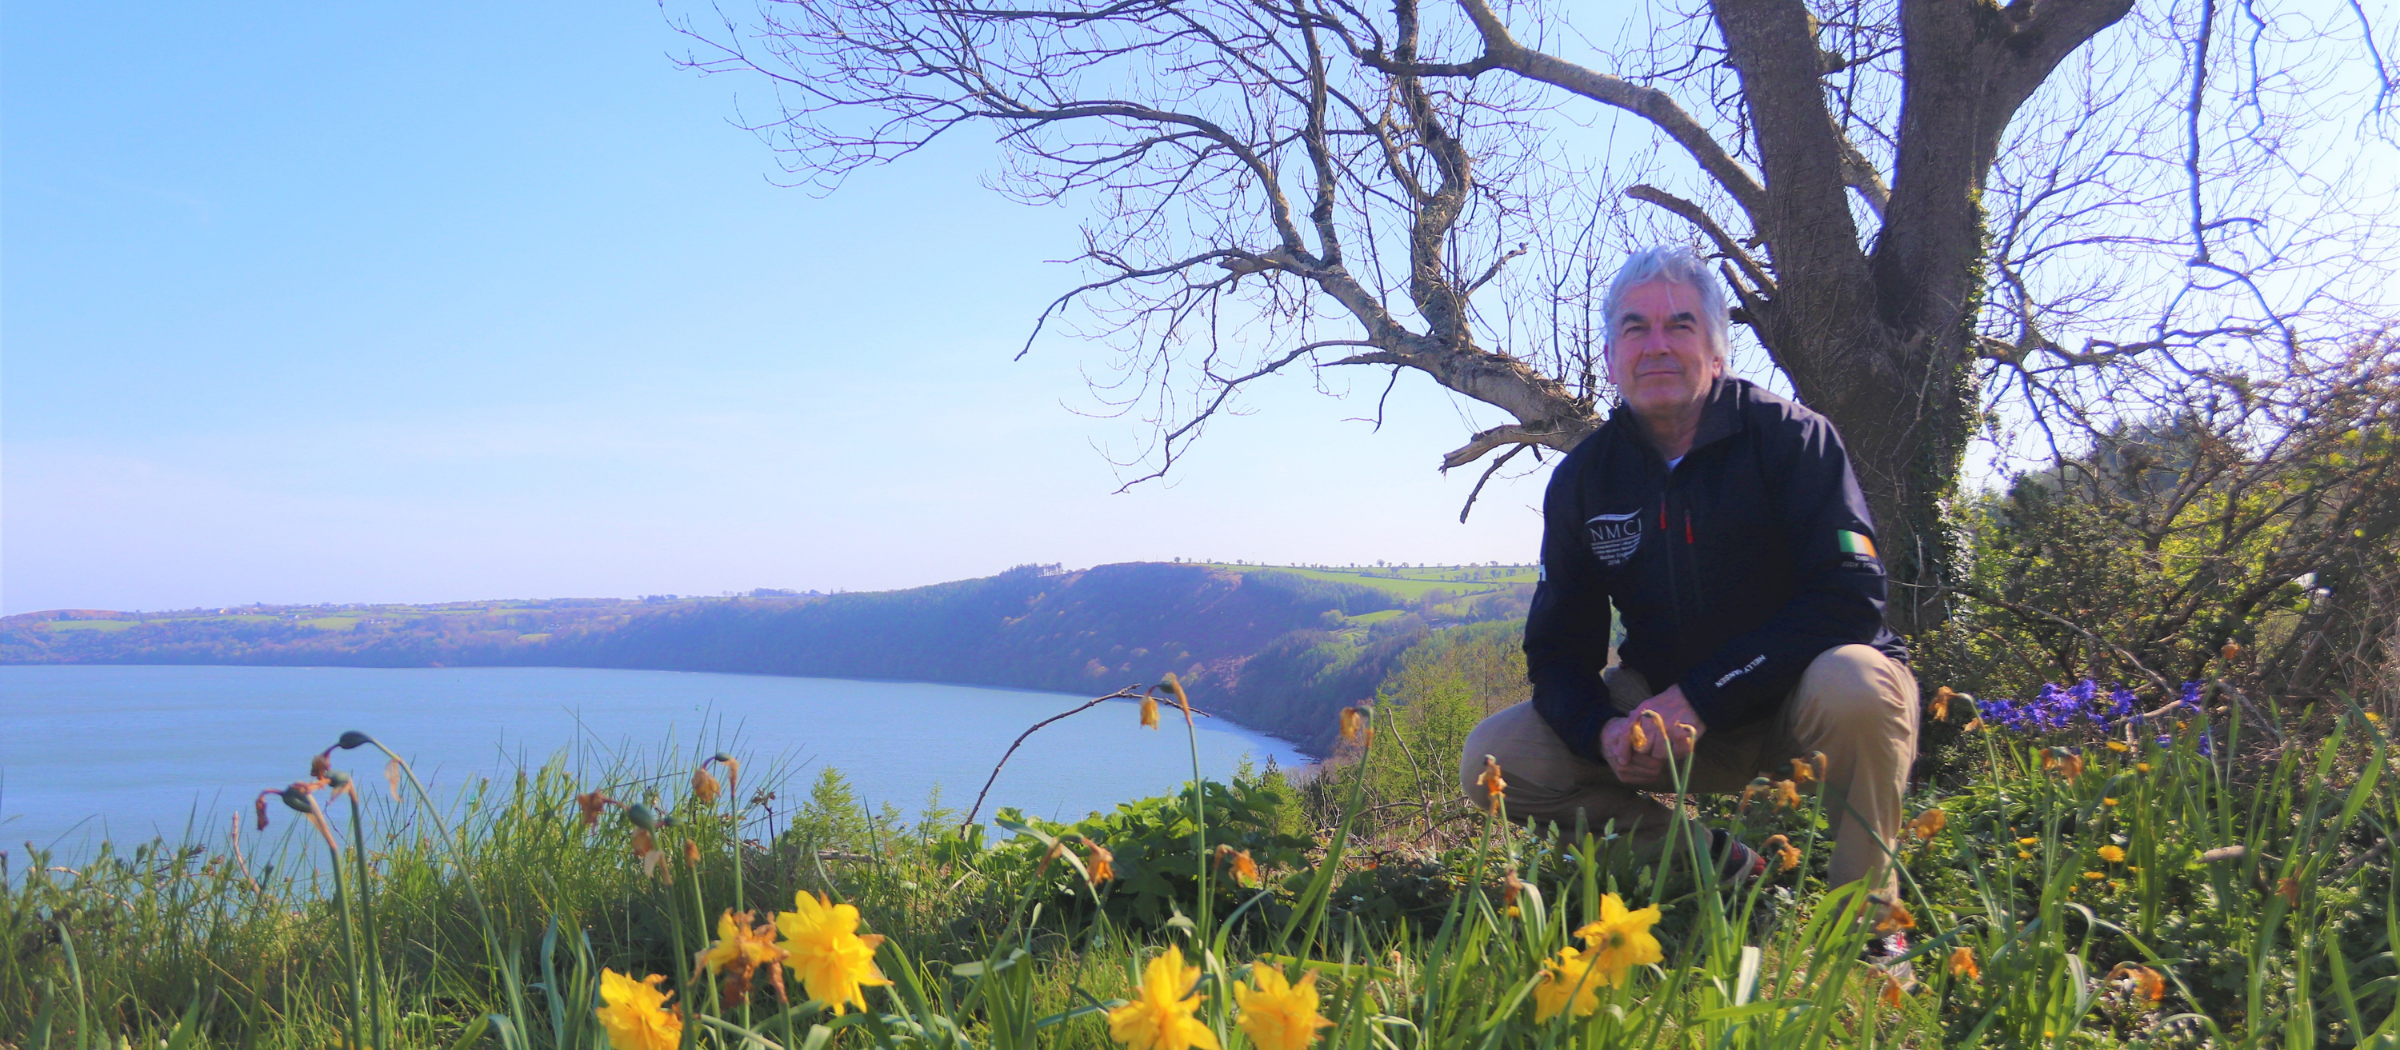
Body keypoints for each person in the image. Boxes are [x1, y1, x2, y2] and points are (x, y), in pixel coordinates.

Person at [1459, 244, 1919, 913]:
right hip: (1667, 715)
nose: (1656, 347)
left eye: (1680, 325)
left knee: (1860, 685)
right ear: (1612, 358)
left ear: (1716, 351)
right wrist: (1602, 733)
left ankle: (1872, 929)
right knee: (1492, 759)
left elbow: (1850, 598)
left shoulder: (1793, 439)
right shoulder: (1586, 480)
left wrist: (1703, 696)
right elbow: (1557, 652)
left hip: (1801, 703)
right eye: (1634, 329)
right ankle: (1718, 868)